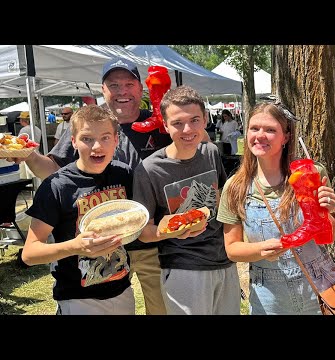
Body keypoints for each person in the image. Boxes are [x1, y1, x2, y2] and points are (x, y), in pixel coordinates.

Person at [4, 58, 173, 315]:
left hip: (150, 243)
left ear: (141, 88)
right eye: (113, 85)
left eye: (129, 84)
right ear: (102, 89)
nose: (122, 91)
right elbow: (56, 173)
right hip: (99, 249)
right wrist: (29, 155)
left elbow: (191, 143)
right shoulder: (89, 124)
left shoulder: (162, 122)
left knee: (161, 309)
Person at [216, 100, 335, 315]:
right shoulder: (235, 186)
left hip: (320, 287)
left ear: (286, 137)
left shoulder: (312, 174)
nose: (260, 135)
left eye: (270, 130)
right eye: (254, 128)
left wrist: (326, 212)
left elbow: (329, 236)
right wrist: (260, 250)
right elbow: (232, 249)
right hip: (269, 297)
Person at [134, 85, 241, 315]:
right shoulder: (149, 169)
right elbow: (144, 232)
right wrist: (167, 231)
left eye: (194, 120)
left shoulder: (210, 152)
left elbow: (223, 200)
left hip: (224, 262)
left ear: (204, 120)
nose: (187, 129)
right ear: (165, 125)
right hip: (184, 268)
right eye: (177, 123)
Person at [21, 105, 135, 315]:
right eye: (87, 139)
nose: (97, 146)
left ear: (117, 140)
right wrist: (76, 246)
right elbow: (29, 253)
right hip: (78, 299)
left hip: (122, 289)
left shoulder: (124, 174)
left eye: (106, 137)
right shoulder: (57, 185)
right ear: (73, 141)